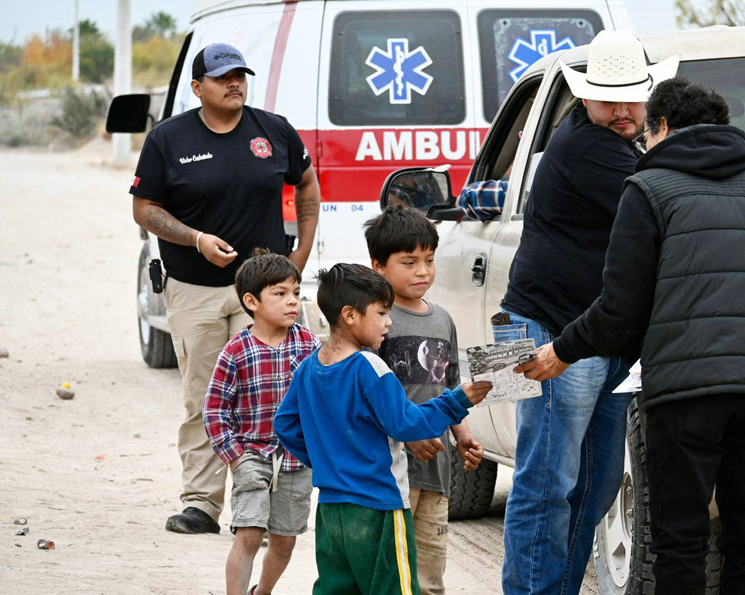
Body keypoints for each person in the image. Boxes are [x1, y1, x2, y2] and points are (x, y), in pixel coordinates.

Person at [520, 77, 745, 595]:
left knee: (680, 540)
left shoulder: (650, 190)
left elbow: (620, 306)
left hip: (685, 394)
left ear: (663, 127)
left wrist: (563, 349)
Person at [497, 29, 679, 594]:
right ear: (583, 97)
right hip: (542, 330)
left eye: (633, 96)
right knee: (546, 482)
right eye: (610, 98)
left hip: (593, 338)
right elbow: (665, 204)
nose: (624, 110)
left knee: (595, 484)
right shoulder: (588, 147)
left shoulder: (613, 142)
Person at [129, 42, 320, 535]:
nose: (234, 83)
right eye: (222, 77)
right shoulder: (168, 139)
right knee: (206, 397)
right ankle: (201, 503)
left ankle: (271, 498)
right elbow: (144, 208)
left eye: (240, 75)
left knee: (277, 393)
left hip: (263, 293)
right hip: (195, 289)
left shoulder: (272, 130)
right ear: (198, 88)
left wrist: (298, 257)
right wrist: (195, 239)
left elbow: (307, 185)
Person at [273, 264, 493, 595]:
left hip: (332, 509)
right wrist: (458, 399)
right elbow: (407, 423)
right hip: (379, 506)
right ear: (350, 315)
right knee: (395, 587)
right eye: (382, 312)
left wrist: (327, 460)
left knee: (336, 588)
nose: (389, 322)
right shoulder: (370, 366)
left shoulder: (310, 366)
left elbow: (285, 425)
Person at [363, 205, 486, 595]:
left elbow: (449, 385)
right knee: (387, 573)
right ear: (378, 266)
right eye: (409, 262)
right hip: (391, 470)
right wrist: (407, 434)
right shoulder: (376, 321)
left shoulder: (442, 320)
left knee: (430, 575)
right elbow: (366, 394)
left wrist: (463, 435)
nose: (422, 272)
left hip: (437, 470)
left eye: (429, 261)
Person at [202, 250, 318, 595]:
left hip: (297, 460)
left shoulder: (309, 345)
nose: (292, 302)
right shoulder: (236, 351)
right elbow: (214, 411)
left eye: (296, 293)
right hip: (252, 456)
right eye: (280, 294)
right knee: (249, 534)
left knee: (284, 540)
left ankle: (262, 592)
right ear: (251, 301)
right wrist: (236, 458)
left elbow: (322, 400)